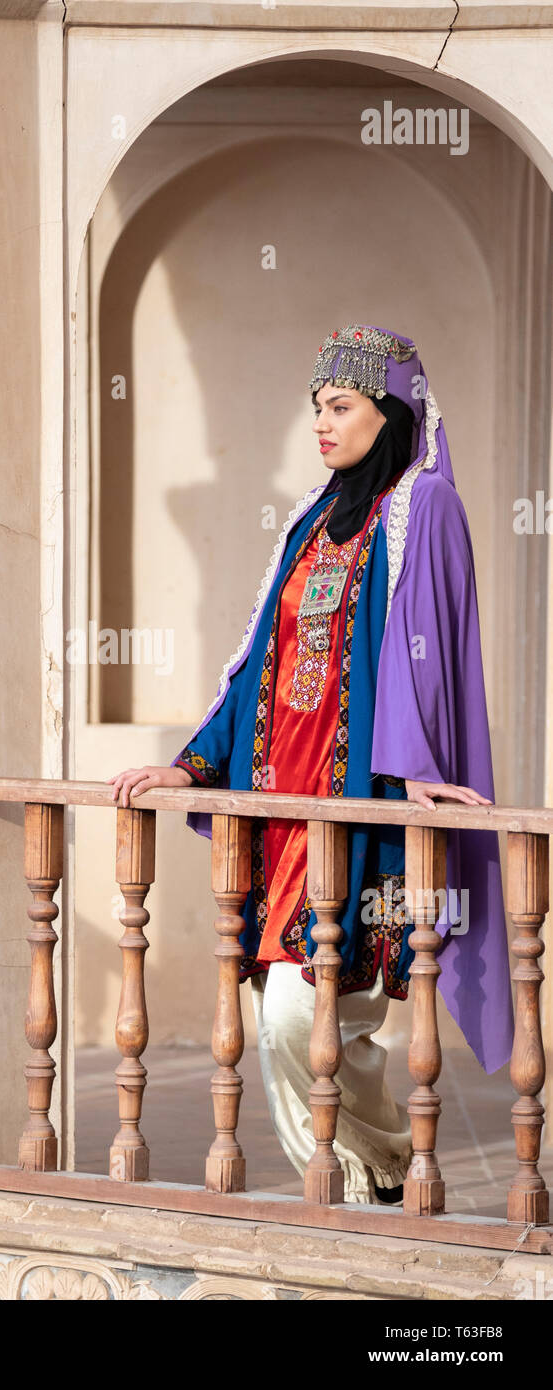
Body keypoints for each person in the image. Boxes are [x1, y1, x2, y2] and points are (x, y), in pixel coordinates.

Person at [109, 323, 514, 1206]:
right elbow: (259, 659)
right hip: (281, 814)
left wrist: (416, 767)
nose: (322, 425)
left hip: (361, 815)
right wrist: (192, 764)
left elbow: (429, 654)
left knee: (308, 1017)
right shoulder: (310, 518)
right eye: (316, 409)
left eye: (340, 407)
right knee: (280, 1026)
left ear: (390, 411)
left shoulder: (423, 507)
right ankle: (356, 1194)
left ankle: (389, 1163)